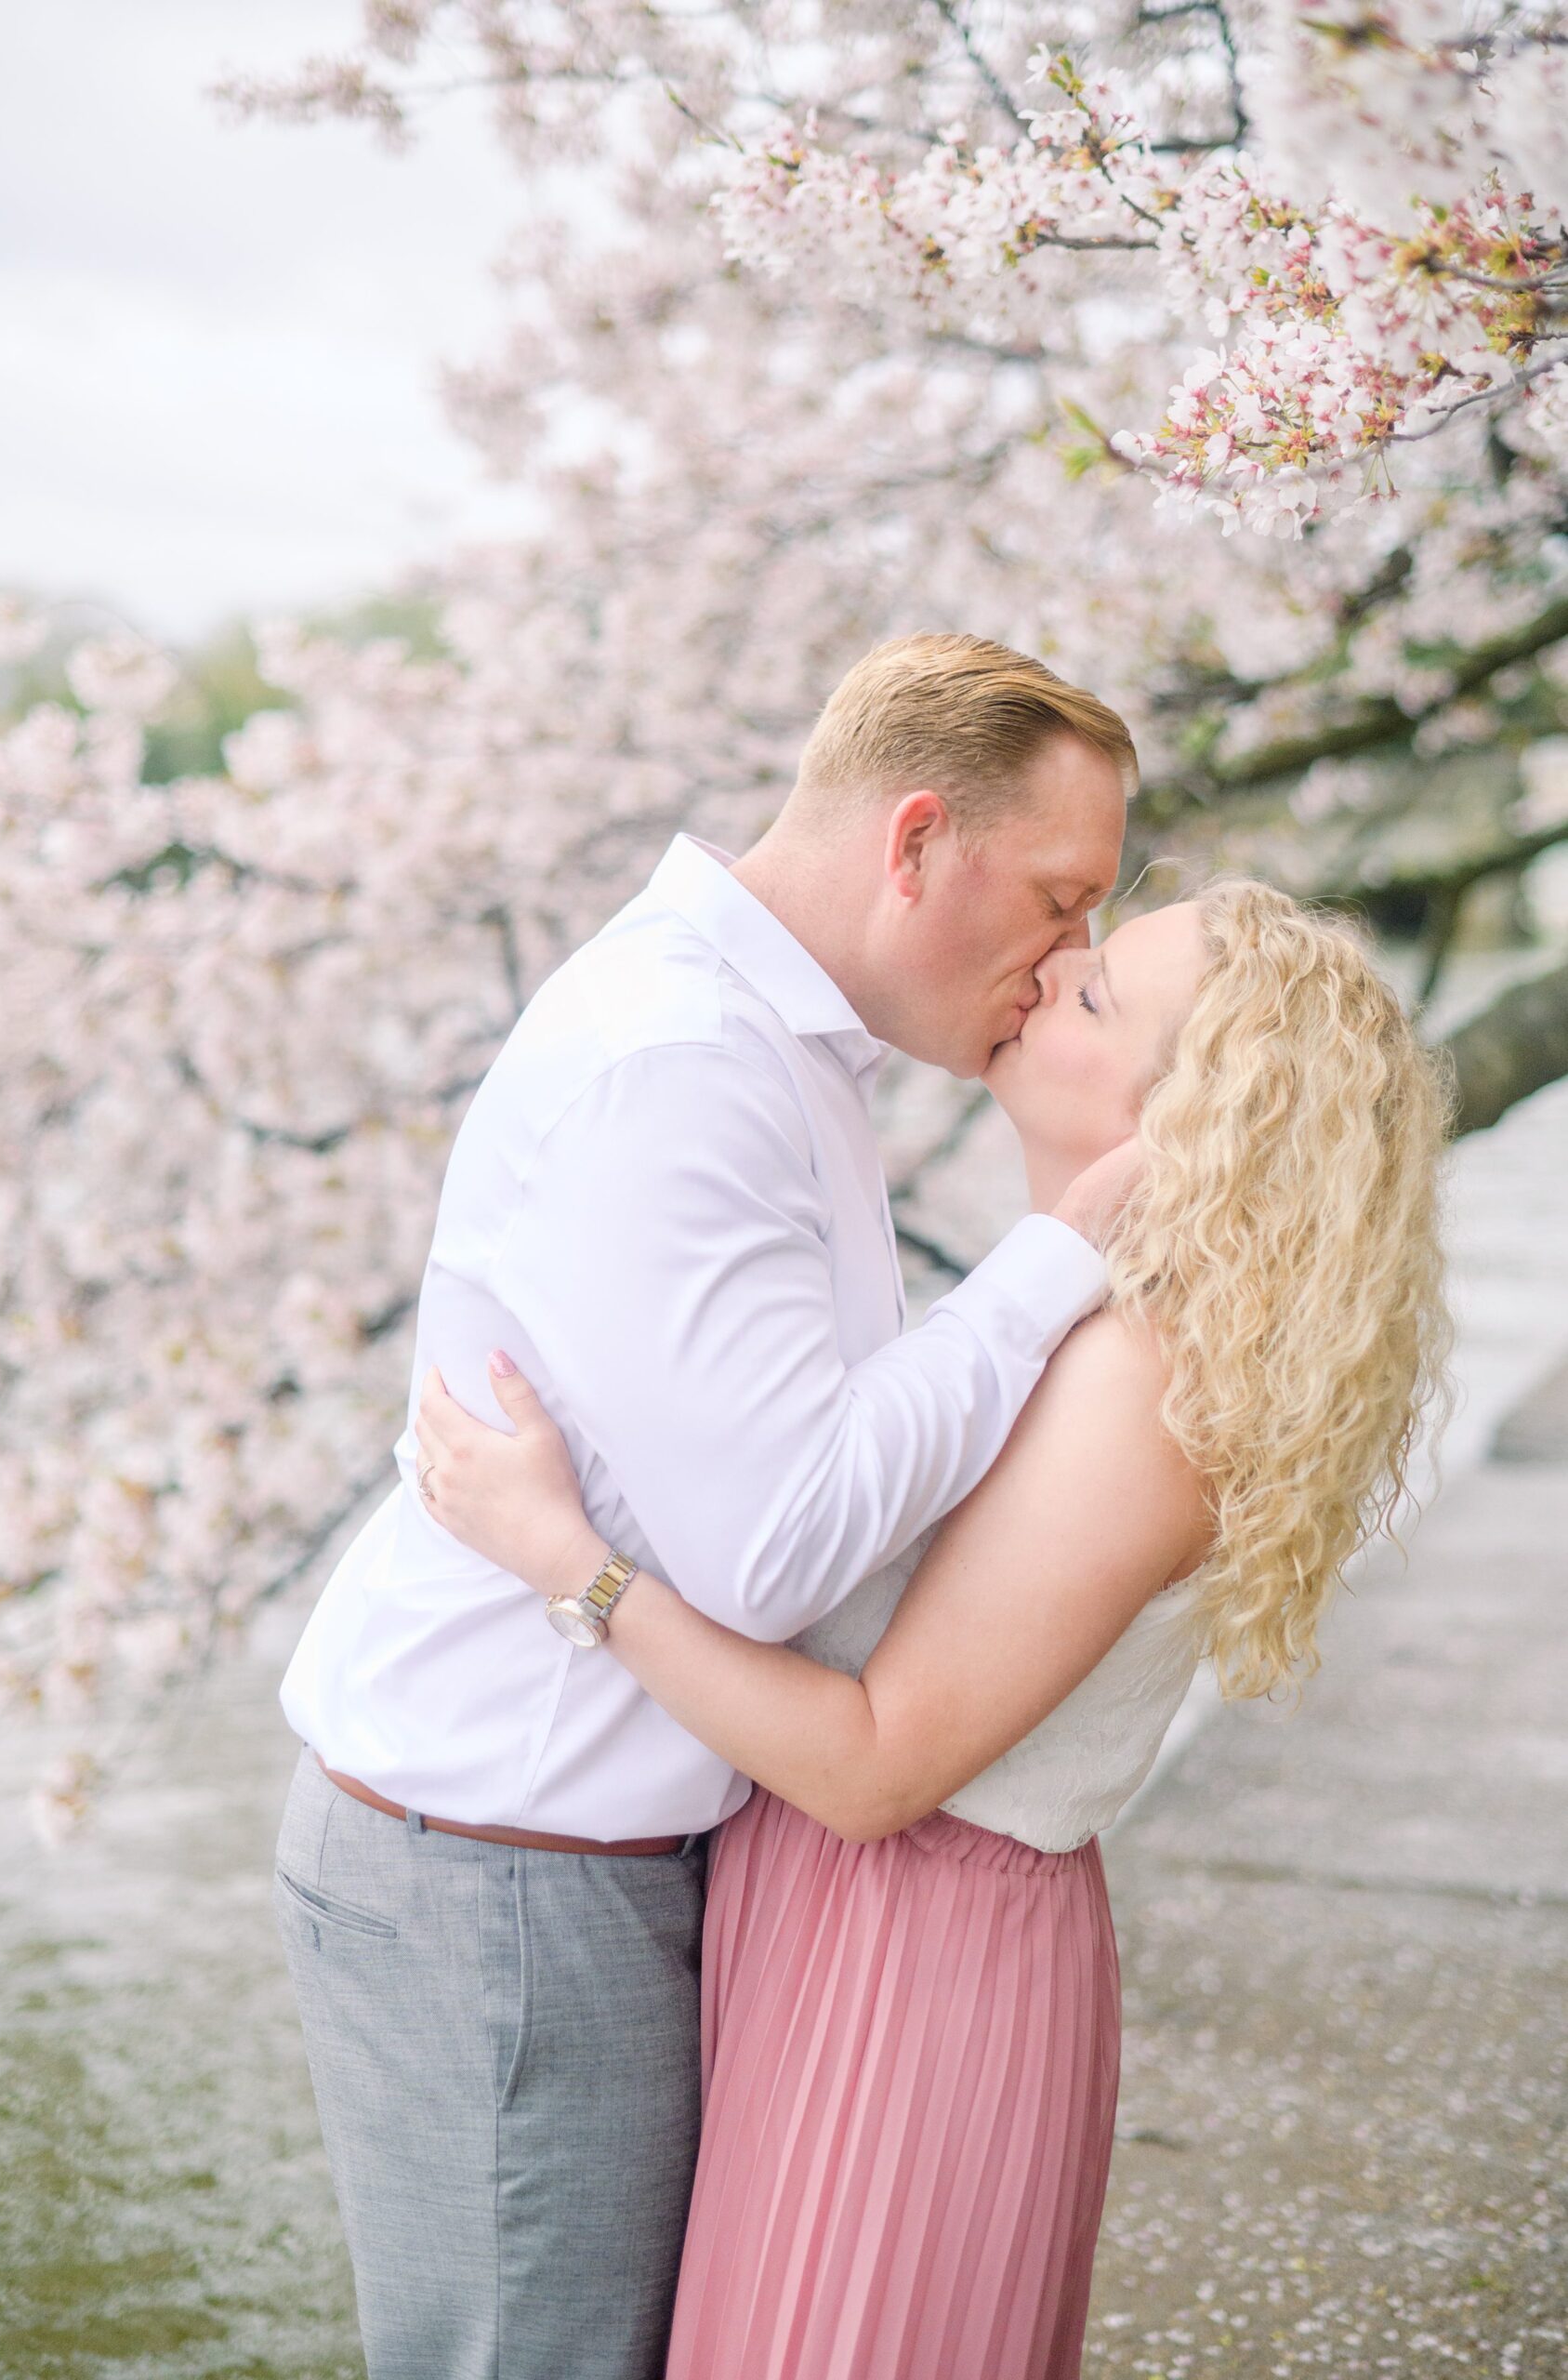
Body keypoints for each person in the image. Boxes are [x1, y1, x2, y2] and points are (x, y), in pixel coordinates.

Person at [415, 877, 1454, 2380]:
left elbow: (875, 1766)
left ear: (1198, 1124)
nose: (1050, 971)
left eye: (1101, 995)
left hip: (912, 1972)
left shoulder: (1133, 1388)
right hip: (852, 1930)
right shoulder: (1082, 1318)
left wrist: (567, 1560)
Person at [271, 631, 1140, 2380]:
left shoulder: (774, 1043)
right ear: (915, 845)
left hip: (574, 1852)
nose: (1074, 961)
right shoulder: (685, 1062)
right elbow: (774, 1549)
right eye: (1058, 898)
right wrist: (1049, 1267)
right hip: (506, 1875)